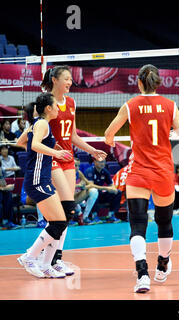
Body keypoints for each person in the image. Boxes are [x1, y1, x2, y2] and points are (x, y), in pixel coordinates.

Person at [104, 64, 179, 293]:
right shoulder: (170, 106)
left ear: (139, 83)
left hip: (138, 172)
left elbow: (109, 134)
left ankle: (142, 274)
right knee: (164, 222)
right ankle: (162, 264)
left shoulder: (130, 105)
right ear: (158, 82)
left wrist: (111, 142)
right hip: (162, 172)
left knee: (137, 224)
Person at [41, 65, 107, 275]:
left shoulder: (71, 102)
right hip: (51, 160)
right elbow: (35, 133)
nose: (70, 82)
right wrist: (52, 147)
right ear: (55, 80)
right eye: (66, 79)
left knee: (67, 212)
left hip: (69, 159)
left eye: (71, 79)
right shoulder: (45, 102)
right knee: (61, 211)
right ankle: (39, 257)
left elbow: (73, 136)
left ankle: (55, 259)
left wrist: (93, 150)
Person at [16, 92, 73, 278]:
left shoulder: (38, 124)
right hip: (37, 179)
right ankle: (30, 257)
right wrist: (54, 153)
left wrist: (50, 150)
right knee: (58, 222)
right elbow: (34, 145)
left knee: (59, 222)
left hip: (42, 178)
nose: (58, 108)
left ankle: (47, 264)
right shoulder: (41, 123)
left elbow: (21, 141)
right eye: (56, 106)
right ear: (48, 108)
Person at [84, 158, 121, 223]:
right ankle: (94, 216)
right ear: (95, 162)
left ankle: (110, 215)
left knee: (117, 192)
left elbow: (111, 185)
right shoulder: (89, 171)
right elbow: (91, 185)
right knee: (94, 192)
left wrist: (113, 189)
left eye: (104, 162)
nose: (102, 164)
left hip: (101, 194)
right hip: (89, 195)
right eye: (100, 162)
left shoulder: (105, 171)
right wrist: (106, 188)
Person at [74, 158, 99, 225]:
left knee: (94, 191)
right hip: (63, 198)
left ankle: (85, 217)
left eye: (78, 166)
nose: (77, 168)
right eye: (75, 165)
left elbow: (89, 183)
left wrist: (83, 185)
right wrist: (78, 185)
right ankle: (73, 217)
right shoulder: (64, 172)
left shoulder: (78, 172)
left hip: (75, 197)